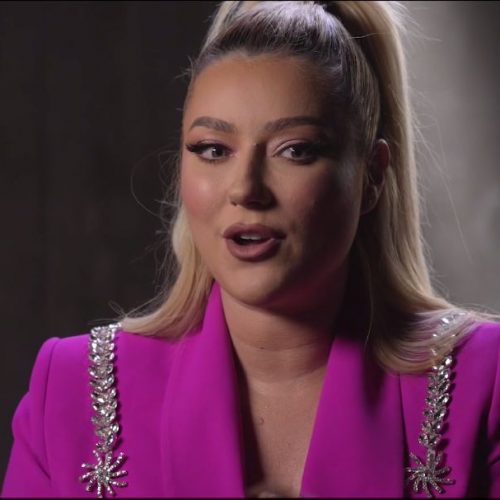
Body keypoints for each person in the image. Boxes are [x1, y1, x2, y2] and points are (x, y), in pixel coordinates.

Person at [2, 1, 500, 497]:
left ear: (371, 175)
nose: (246, 189)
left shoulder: (485, 382)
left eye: (295, 150)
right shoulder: (71, 391)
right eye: (213, 150)